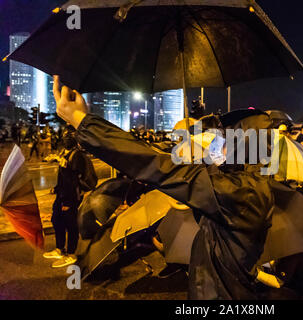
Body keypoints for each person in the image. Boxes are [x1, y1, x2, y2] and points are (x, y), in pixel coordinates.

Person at [53, 75, 275, 299]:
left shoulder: (242, 192)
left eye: (224, 141)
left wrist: (83, 122)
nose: (216, 146)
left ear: (243, 145)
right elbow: (168, 164)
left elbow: (157, 166)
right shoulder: (241, 184)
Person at [43, 127, 94, 268]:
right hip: (62, 194)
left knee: (71, 225)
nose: (66, 138)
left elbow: (73, 181)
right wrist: (57, 188)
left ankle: (71, 253)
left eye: (69, 136)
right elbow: (63, 177)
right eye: (65, 136)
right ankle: (60, 249)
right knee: (56, 220)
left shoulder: (77, 155)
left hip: (71, 197)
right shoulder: (65, 153)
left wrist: (68, 201)